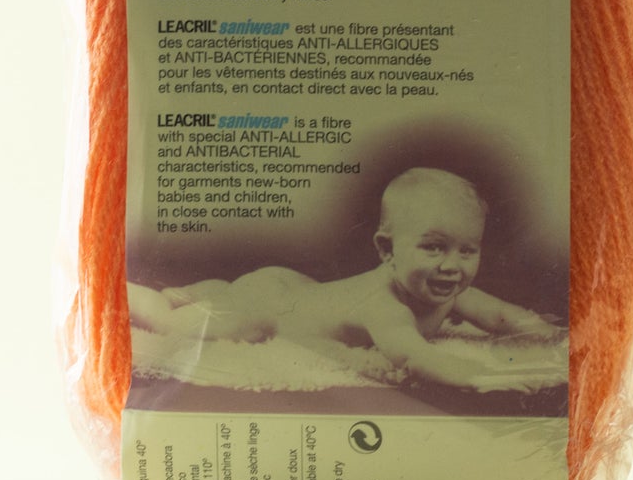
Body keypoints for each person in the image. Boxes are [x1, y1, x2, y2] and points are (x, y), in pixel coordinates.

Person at [127, 167, 564, 392]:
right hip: (274, 309)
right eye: (434, 247)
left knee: (228, 294)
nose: (453, 265)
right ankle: (137, 295)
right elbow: (414, 357)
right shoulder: (387, 308)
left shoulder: (448, 289)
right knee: (194, 323)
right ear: (386, 250)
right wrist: (478, 376)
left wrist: (550, 337)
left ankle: (208, 292)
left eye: (467, 250)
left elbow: (502, 317)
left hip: (296, 289)